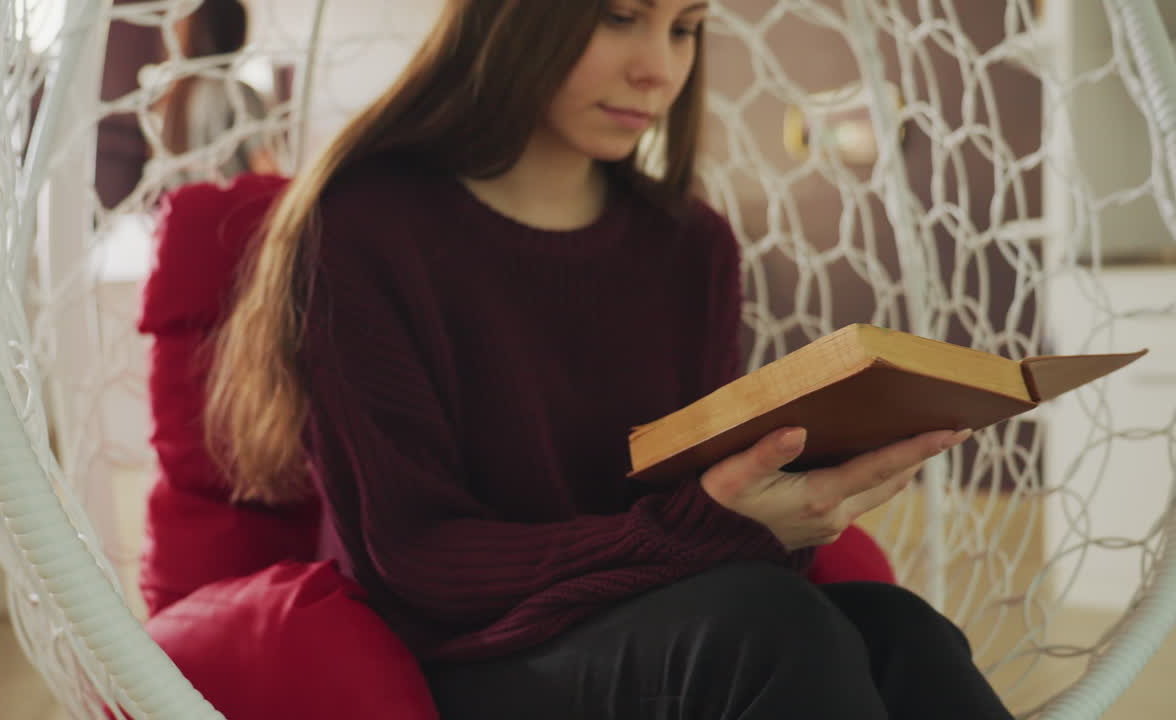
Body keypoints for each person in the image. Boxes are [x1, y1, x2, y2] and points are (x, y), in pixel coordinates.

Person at [202, 1, 1014, 718]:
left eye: (686, 27)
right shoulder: (364, 226)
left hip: (658, 615)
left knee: (908, 635)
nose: (657, 68)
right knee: (768, 628)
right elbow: (417, 559)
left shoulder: (690, 245)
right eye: (619, 17)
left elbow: (693, 501)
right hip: (464, 656)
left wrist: (796, 505)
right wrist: (705, 527)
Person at [155, 0, 278, 188]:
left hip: (183, 214)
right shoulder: (239, 94)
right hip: (231, 213)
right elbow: (266, 169)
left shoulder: (171, 99)